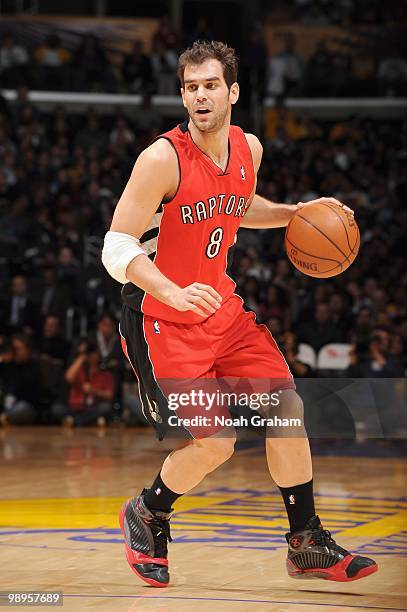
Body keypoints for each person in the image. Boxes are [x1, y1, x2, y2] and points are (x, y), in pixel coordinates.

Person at [102, 41, 377, 587]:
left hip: (222, 309)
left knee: (286, 408)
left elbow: (239, 202)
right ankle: (148, 511)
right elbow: (115, 247)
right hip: (163, 314)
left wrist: (297, 214)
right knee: (217, 443)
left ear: (232, 91)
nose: (199, 96)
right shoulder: (161, 158)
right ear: (183, 94)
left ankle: (306, 543)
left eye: (209, 85)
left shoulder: (248, 146)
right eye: (189, 87)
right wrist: (172, 290)